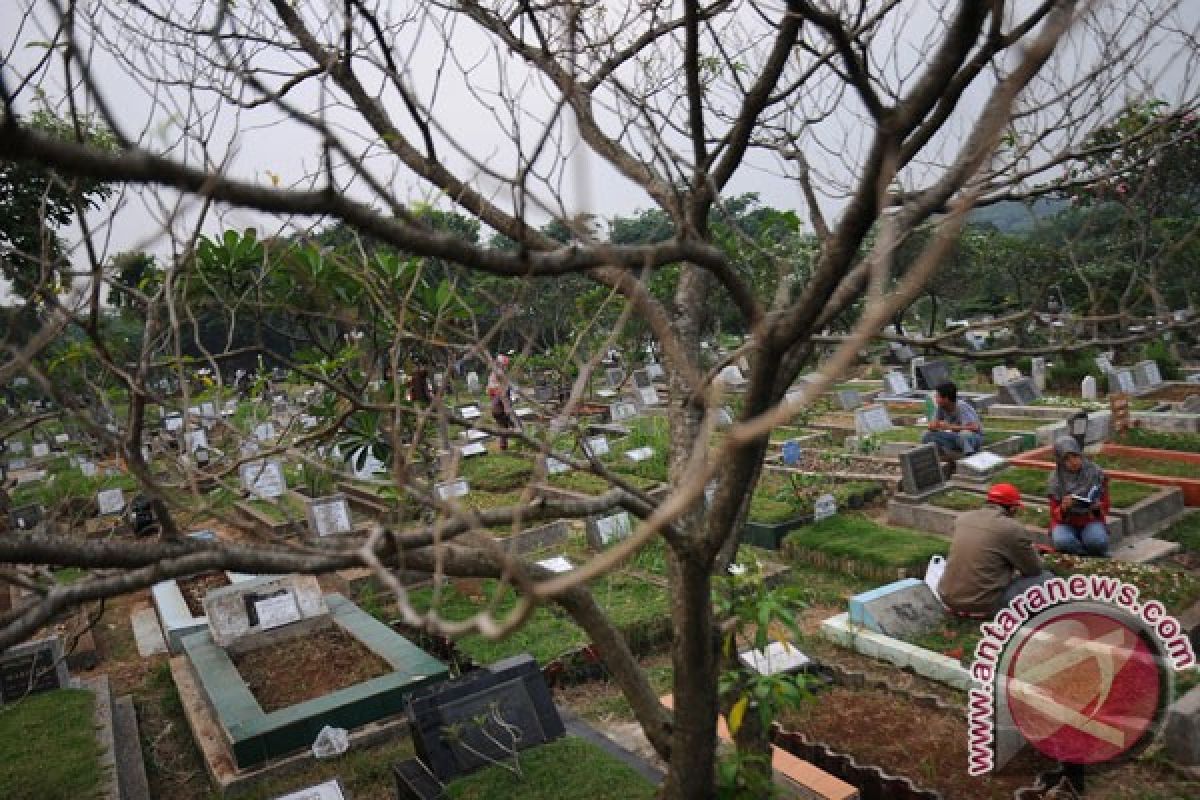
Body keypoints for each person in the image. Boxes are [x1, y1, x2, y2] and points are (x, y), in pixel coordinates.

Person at [938, 483, 1049, 615]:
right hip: (984, 603)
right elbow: (1034, 569)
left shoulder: (963, 518)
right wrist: (1031, 551)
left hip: (948, 597)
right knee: (1047, 578)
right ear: (1013, 509)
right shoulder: (1012, 528)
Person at [1047, 437, 1110, 557]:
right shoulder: (1055, 480)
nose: (1073, 462)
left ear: (1080, 454)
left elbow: (1106, 505)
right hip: (1066, 522)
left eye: (1075, 456)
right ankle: (1086, 556)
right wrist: (1064, 508)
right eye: (1067, 459)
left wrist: (1097, 507)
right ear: (1060, 461)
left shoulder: (1095, 473)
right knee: (1062, 541)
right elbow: (1053, 513)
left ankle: (1086, 552)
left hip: (1089, 519)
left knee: (1098, 542)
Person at [921, 381, 983, 466]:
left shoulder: (961, 407)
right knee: (927, 435)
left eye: (937, 396)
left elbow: (975, 427)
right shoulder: (940, 407)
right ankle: (940, 457)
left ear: (946, 399)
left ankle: (970, 459)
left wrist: (949, 427)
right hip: (955, 438)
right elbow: (934, 422)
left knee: (964, 434)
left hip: (973, 438)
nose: (935, 399)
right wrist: (933, 426)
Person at [487, 354, 514, 450]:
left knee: (503, 425)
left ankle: (504, 445)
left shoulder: (493, 374)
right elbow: (502, 393)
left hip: (496, 405)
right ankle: (504, 446)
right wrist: (507, 408)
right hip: (500, 405)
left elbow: (489, 391)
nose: (506, 366)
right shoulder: (499, 375)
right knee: (504, 425)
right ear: (501, 364)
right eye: (505, 364)